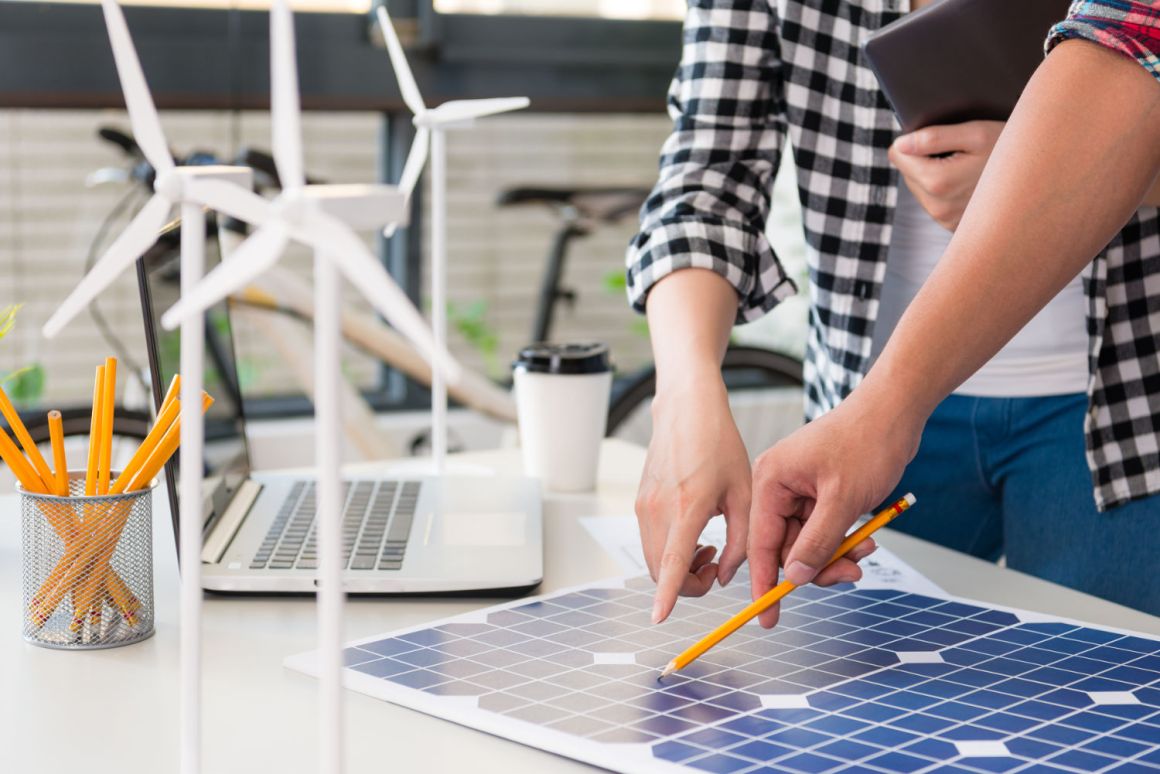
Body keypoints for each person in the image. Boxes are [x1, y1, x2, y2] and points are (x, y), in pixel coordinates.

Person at [626, 0, 1160, 624]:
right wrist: (685, 394)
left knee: (1100, 701)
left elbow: (1130, 54)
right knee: (859, 708)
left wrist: (1050, 172)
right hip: (859, 424)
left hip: (1126, 410)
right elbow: (705, 185)